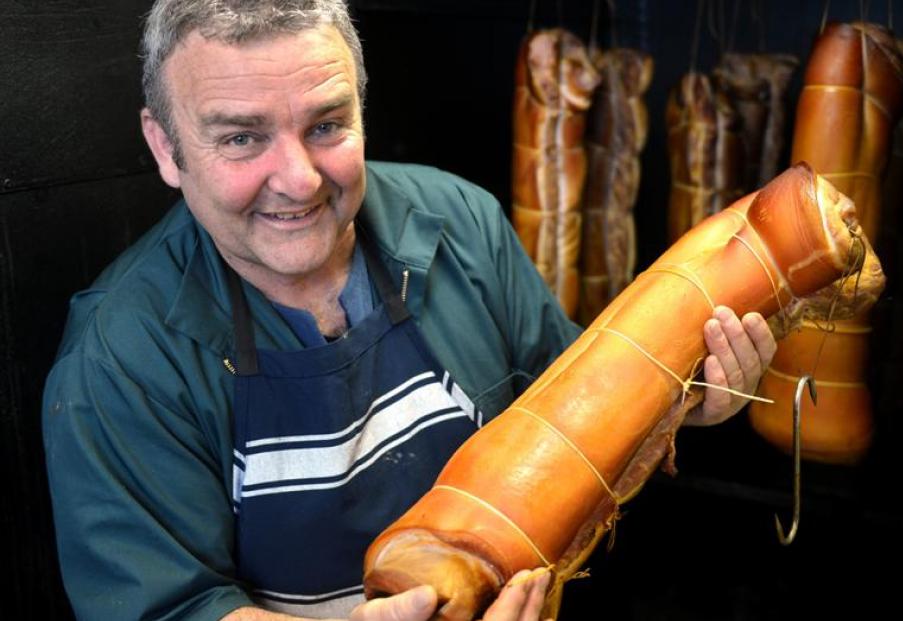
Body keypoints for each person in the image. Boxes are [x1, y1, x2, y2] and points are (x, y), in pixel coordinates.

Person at [41, 1, 777, 620]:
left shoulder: (462, 222)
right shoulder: (120, 356)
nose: (298, 180)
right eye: (242, 137)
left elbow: (581, 423)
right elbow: (174, 609)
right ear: (166, 147)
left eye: (327, 125)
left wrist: (681, 405)